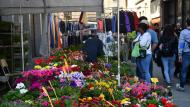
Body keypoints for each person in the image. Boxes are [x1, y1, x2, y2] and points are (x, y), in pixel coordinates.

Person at [176, 18, 190, 91]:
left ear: (187, 23)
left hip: (186, 53)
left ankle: (181, 86)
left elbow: (181, 44)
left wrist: (180, 54)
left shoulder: (183, 32)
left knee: (184, 70)